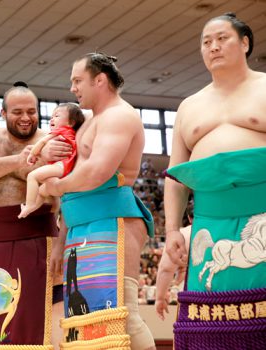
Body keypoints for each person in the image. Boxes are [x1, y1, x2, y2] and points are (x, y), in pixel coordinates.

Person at [164, 13, 266, 349]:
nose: (213, 47)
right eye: (206, 42)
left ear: (245, 43)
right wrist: (171, 230)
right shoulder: (189, 106)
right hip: (209, 216)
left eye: (222, 38)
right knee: (210, 324)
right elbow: (176, 177)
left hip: (262, 208)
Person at [44, 53, 155, 350]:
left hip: (112, 218)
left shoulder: (121, 115)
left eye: (77, 81)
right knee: (84, 319)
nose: (72, 88)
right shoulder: (89, 121)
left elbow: (98, 171)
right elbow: (75, 179)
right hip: (79, 224)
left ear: (100, 80)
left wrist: (56, 185)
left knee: (122, 311)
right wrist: (60, 238)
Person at [0, 82, 71, 349]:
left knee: (51, 327)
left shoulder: (52, 141)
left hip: (42, 240)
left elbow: (69, 193)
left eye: (32, 111)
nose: (26, 117)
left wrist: (63, 242)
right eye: (18, 112)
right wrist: (21, 160)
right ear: (3, 112)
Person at [18, 103, 84, 218]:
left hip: (62, 166)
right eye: (52, 116)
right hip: (67, 168)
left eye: (57, 116)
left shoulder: (61, 130)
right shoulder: (73, 133)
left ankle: (29, 205)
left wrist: (33, 154)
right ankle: (32, 208)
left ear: (71, 122)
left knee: (32, 176)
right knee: (42, 191)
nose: (52, 118)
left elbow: (42, 142)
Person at [155, 225, 191, 320]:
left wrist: (160, 297)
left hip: (193, 297)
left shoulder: (183, 234)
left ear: (189, 218)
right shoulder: (234, 229)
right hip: (231, 297)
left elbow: (166, 269)